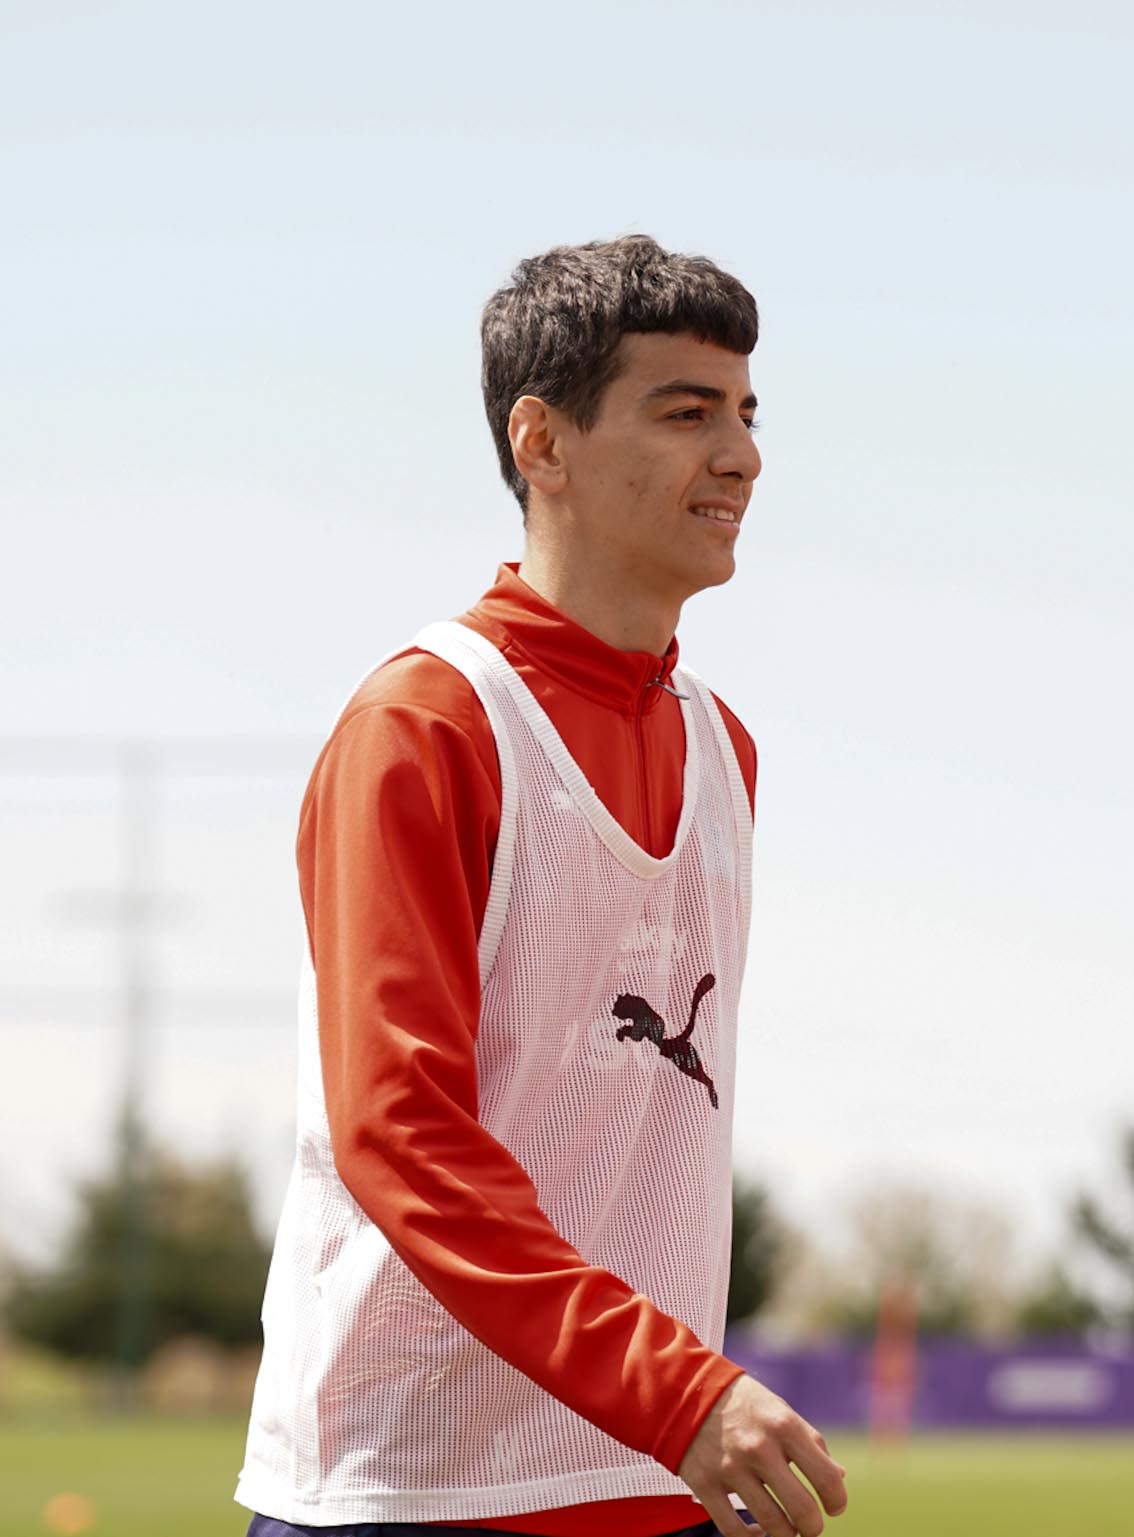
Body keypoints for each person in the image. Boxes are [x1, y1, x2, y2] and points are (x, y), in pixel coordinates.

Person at [236, 236, 848, 1537]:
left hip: (654, 1484)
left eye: (746, 414)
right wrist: (672, 1387)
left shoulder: (724, 750)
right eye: (686, 413)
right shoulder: (426, 725)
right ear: (541, 440)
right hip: (409, 1490)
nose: (739, 455)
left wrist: (670, 1408)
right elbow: (400, 1131)